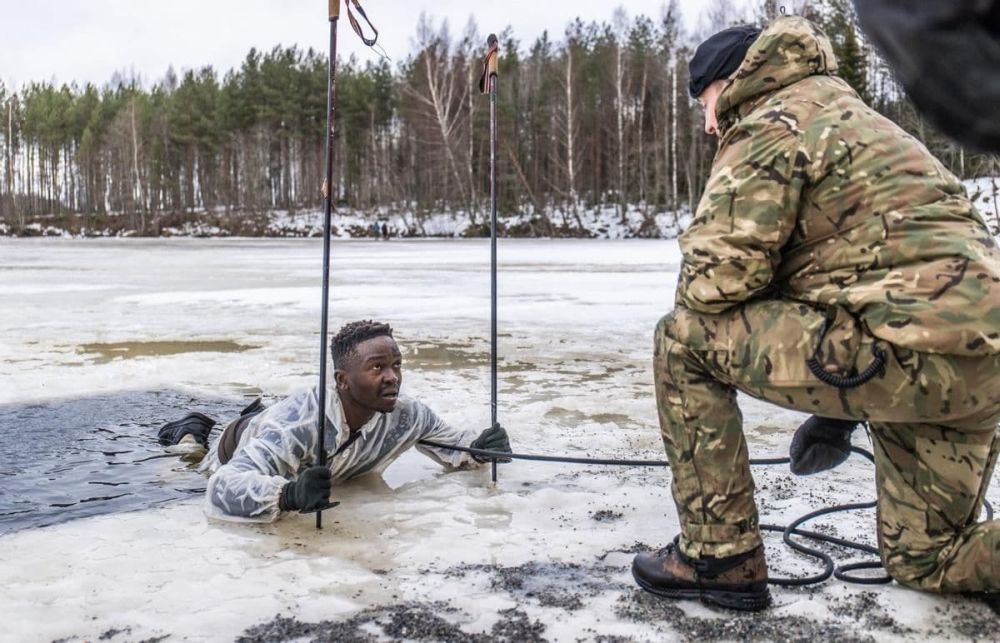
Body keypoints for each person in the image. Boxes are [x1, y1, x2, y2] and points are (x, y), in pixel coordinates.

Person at [631, 16, 1000, 612]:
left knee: (683, 340)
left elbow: (715, 281)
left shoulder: (770, 123)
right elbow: (872, 266)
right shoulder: (858, 119)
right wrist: (839, 415)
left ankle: (718, 558)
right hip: (981, 361)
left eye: (708, 101)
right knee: (928, 557)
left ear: (735, 80)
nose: (708, 121)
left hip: (909, 347)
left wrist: (838, 394)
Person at [160, 320, 511, 522]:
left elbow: (452, 445)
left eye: (396, 365)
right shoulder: (296, 426)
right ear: (342, 379)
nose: (392, 377)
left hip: (276, 421)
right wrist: (287, 495)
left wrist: (480, 448)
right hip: (235, 445)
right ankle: (190, 429)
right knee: (188, 456)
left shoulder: (406, 414)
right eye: (377, 367)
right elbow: (222, 487)